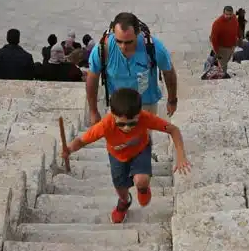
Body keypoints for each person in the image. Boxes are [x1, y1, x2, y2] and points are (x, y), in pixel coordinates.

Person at [63, 87, 191, 225]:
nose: (127, 128)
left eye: (132, 123)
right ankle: (124, 202)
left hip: (140, 150)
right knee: (121, 188)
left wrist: (181, 156)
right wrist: (69, 149)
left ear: (139, 113)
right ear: (112, 115)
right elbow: (82, 141)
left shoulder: (145, 118)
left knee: (141, 179)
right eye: (121, 124)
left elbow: (173, 130)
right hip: (117, 156)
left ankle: (142, 188)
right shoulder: (105, 125)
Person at [85, 11, 177, 122]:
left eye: (129, 42)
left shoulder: (155, 48)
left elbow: (169, 72)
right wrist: (93, 111)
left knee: (143, 137)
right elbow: (92, 77)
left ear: (138, 33)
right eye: (119, 41)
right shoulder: (102, 49)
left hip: (146, 104)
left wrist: (172, 100)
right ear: (113, 33)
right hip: (118, 105)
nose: (123, 47)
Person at [209, 6, 239, 76]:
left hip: (232, 46)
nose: (228, 16)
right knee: (223, 65)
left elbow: (236, 28)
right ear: (223, 13)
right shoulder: (217, 23)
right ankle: (222, 75)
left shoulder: (234, 18)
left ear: (232, 13)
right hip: (222, 48)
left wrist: (237, 40)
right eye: (226, 14)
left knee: (226, 60)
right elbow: (214, 39)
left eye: (230, 14)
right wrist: (217, 52)